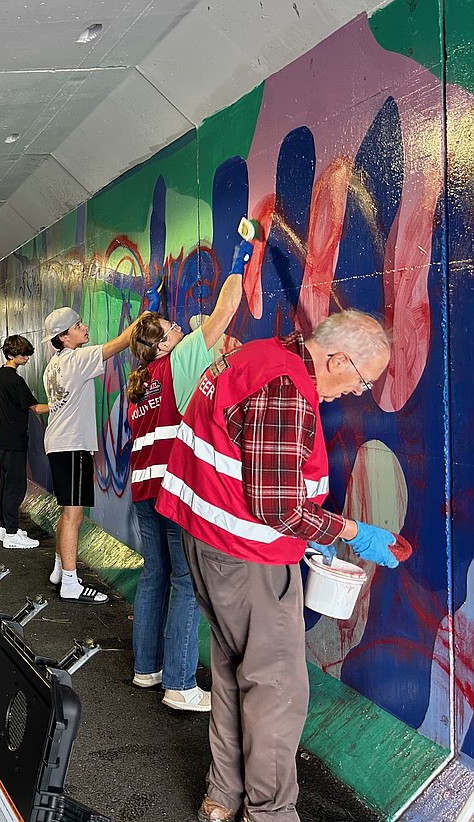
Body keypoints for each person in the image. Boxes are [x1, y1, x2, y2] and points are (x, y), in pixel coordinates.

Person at [155, 310, 402, 822]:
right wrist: (351, 532)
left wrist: (308, 539)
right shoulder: (286, 389)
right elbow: (278, 507)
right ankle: (270, 813)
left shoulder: (258, 355)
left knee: (232, 668)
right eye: (362, 379)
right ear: (337, 358)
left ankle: (223, 797)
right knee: (278, 689)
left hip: (208, 540)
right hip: (248, 556)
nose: (359, 392)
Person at [124, 238, 249, 713]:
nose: (180, 325)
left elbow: (149, 338)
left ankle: (146, 668)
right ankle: (179, 683)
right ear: (164, 342)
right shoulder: (182, 358)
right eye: (171, 325)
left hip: (143, 489)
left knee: (154, 574)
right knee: (185, 582)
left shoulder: (141, 377)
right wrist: (240, 261)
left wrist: (151, 306)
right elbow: (222, 314)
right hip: (175, 493)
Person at [42, 306, 137, 604]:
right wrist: (147, 313)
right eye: (78, 325)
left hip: (60, 444)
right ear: (64, 337)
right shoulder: (77, 359)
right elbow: (122, 342)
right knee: (74, 515)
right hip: (72, 445)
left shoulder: (54, 365)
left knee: (67, 512)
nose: (84, 327)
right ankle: (70, 583)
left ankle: (60, 571)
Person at [0, 335, 49, 549]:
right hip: (14, 440)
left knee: (6, 483)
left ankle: (6, 528)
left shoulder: (0, 376)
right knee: (16, 485)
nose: (27, 358)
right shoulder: (14, 380)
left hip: (3, 438)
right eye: (23, 354)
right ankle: (13, 534)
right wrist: (61, 403)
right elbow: (36, 408)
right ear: (10, 355)